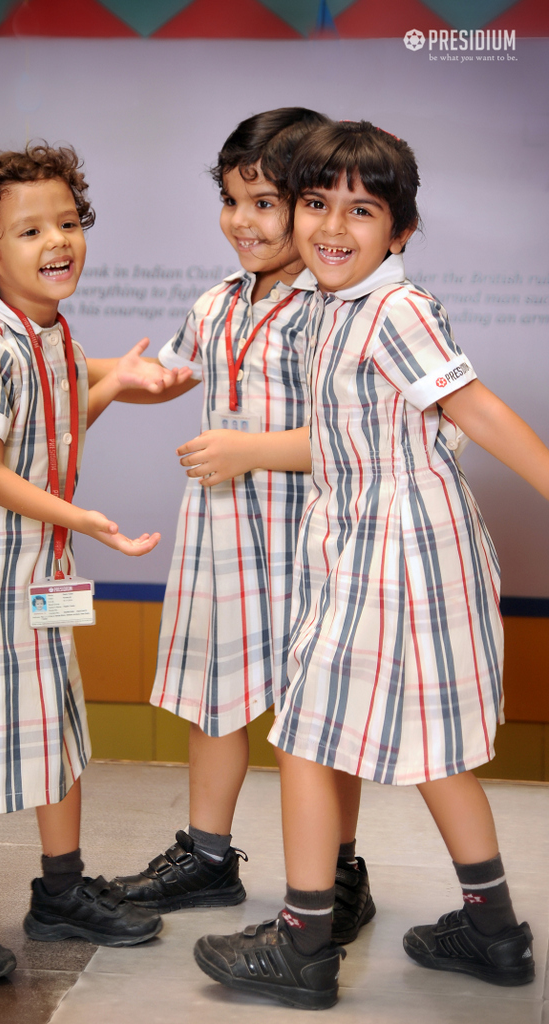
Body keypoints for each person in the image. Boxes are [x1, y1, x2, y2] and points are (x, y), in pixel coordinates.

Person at [194, 119, 546, 1009]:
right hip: (369, 539)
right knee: (434, 750)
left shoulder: (395, 309)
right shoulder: (331, 305)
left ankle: (304, 942)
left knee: (307, 734)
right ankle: (494, 930)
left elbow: (473, 407)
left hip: (398, 548)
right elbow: (343, 436)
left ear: (402, 232)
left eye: (361, 210)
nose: (331, 226)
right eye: (316, 203)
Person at [0, 144, 189, 984]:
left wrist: (120, 381)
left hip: (36, 572)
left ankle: (60, 888)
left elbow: (56, 419)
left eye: (68, 222)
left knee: (56, 720)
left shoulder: (49, 333)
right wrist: (81, 518)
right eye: (30, 230)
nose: (58, 240)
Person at [102, 109, 375, 947]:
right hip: (222, 541)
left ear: (310, 205)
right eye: (231, 201)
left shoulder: (330, 309)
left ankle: (338, 872)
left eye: (265, 203)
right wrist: (99, 372)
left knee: (316, 716)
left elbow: (356, 436)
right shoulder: (218, 300)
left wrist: (249, 449)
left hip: (307, 544)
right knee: (210, 697)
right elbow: (171, 374)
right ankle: (208, 857)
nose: (243, 222)